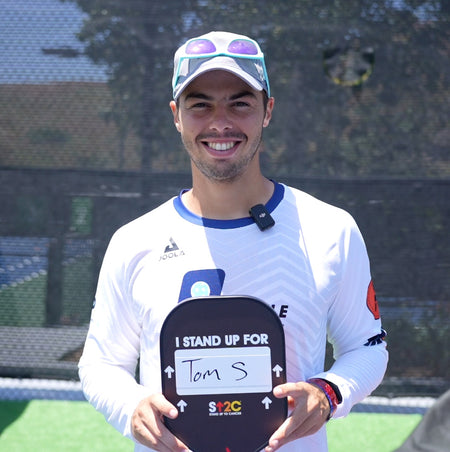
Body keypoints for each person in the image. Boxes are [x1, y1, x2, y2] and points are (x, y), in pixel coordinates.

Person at [79, 31, 388, 452]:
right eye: (199, 104)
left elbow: (367, 347)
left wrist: (328, 393)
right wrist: (129, 405)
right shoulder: (134, 241)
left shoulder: (331, 229)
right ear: (176, 114)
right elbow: (101, 364)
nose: (219, 122)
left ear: (267, 111)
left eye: (240, 103)